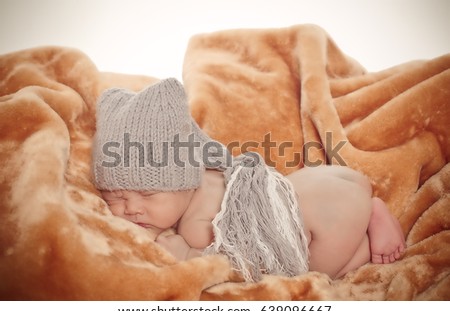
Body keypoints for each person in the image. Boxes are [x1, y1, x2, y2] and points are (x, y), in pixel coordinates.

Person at [92, 78, 406, 282]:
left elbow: (238, 263)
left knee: (317, 267)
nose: (130, 208)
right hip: (325, 181)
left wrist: (187, 255)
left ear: (183, 181)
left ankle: (367, 216)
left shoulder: (196, 227)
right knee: (302, 207)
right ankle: (371, 210)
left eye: (147, 194)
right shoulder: (207, 168)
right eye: (113, 198)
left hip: (326, 218)